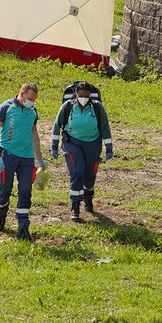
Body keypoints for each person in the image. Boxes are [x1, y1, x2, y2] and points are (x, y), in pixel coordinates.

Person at [0, 82, 44, 240]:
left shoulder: (32, 111)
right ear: (22, 94)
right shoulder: (6, 107)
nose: (32, 102)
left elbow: (34, 133)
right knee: (5, 189)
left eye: (34, 99)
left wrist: (39, 158)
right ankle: (0, 219)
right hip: (8, 155)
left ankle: (23, 227)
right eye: (30, 98)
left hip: (26, 158)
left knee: (26, 191)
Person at [51, 80, 113, 222]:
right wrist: (54, 147)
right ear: (76, 94)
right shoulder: (67, 107)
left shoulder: (97, 108)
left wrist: (109, 148)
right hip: (72, 144)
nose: (83, 97)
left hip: (93, 145)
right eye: (81, 94)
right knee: (77, 172)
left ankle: (88, 197)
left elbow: (105, 128)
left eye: (86, 94)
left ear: (90, 95)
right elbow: (57, 126)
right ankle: (75, 207)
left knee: (89, 175)